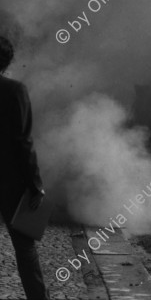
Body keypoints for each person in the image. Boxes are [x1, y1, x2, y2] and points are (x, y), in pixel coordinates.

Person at [0, 35, 49, 299]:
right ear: (7, 61)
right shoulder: (15, 90)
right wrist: (36, 184)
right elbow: (23, 142)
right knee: (24, 246)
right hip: (10, 181)